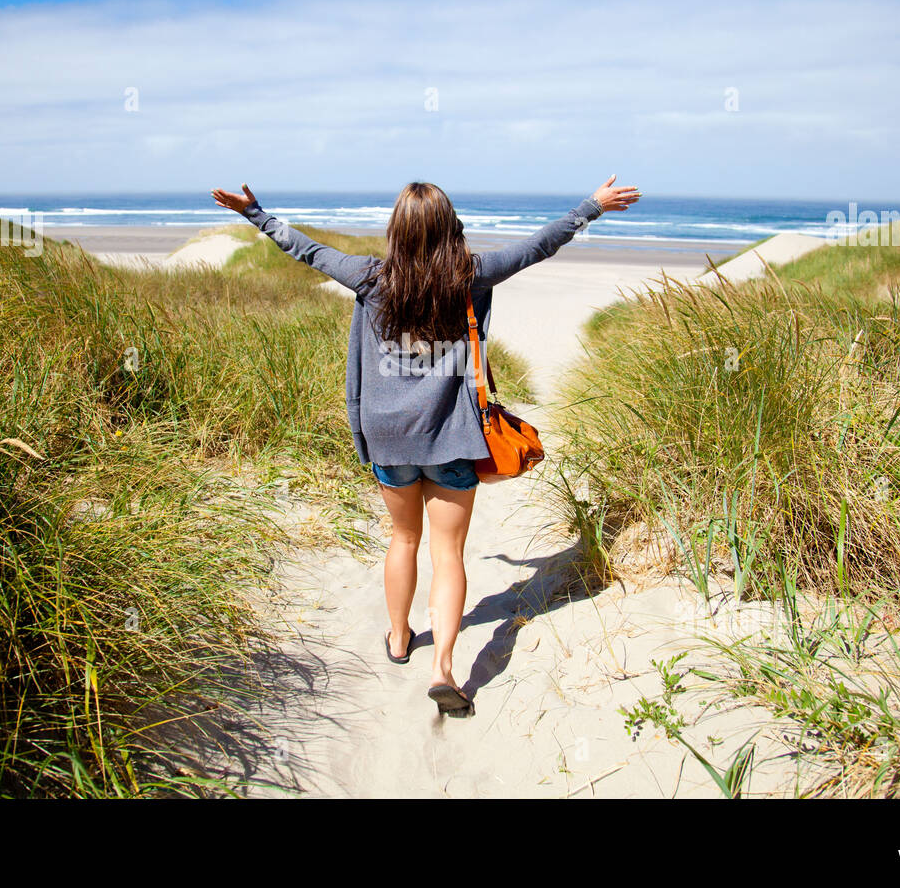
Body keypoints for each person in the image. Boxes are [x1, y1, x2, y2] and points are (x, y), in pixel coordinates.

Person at [211, 177, 640, 714]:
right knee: (447, 551)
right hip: (452, 436)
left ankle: (398, 638)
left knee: (403, 538)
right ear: (448, 227)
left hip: (389, 437)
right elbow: (538, 245)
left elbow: (305, 248)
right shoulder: (471, 275)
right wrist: (590, 209)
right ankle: (442, 667)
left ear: (397, 230)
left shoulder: (369, 277)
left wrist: (255, 213)